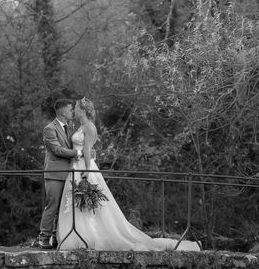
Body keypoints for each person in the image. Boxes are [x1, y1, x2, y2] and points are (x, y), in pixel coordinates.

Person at [55, 97, 200, 251]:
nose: (74, 110)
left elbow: (87, 149)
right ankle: (80, 235)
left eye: (76, 108)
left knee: (88, 202)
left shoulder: (90, 127)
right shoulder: (80, 127)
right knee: (76, 204)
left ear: (83, 110)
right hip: (75, 166)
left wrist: (87, 170)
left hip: (84, 167)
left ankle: (87, 236)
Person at [38, 98, 82, 249]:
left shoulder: (70, 128)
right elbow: (57, 150)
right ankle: (44, 237)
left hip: (69, 173)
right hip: (54, 174)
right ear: (62, 111)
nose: (72, 112)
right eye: (70, 109)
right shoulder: (49, 129)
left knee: (64, 208)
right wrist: (78, 153)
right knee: (52, 206)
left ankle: (57, 237)